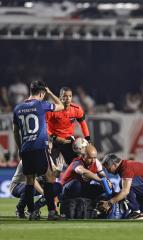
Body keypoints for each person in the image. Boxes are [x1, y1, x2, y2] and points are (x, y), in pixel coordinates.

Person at [12, 79, 65, 220]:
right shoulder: (41, 105)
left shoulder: (17, 108)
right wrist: (50, 93)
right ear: (41, 93)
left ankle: (31, 213)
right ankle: (52, 212)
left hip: (25, 149)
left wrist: (19, 148)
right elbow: (61, 106)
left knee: (30, 180)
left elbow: (15, 131)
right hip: (39, 147)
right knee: (50, 178)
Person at [47, 86, 91, 166]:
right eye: (65, 96)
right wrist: (53, 137)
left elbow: (83, 124)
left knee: (75, 164)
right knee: (53, 169)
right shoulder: (52, 109)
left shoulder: (76, 109)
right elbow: (44, 126)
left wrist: (88, 139)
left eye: (70, 96)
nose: (68, 98)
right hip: (54, 139)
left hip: (68, 140)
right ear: (60, 97)